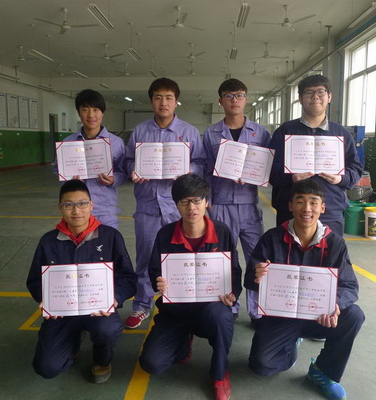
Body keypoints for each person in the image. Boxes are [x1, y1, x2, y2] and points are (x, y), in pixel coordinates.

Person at [245, 179, 364, 400]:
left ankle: (323, 372)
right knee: (262, 365)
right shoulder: (272, 238)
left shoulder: (335, 243)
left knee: (354, 316)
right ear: (290, 206)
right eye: (300, 201)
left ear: (322, 208)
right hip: (281, 317)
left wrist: (334, 305)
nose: (307, 209)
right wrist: (256, 275)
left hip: (319, 317)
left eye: (313, 202)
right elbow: (250, 281)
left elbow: (349, 285)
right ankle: (290, 345)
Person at [139, 173, 241, 400]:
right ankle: (183, 341)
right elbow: (154, 269)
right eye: (185, 202)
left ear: (206, 202)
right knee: (151, 363)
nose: (191, 208)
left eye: (197, 201)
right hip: (175, 312)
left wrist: (232, 293)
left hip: (210, 310)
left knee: (221, 317)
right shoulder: (165, 234)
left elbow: (234, 271)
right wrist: (159, 281)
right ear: (177, 205)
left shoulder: (222, 232)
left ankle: (219, 374)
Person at [26, 179, 137, 382]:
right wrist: (45, 299)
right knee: (47, 367)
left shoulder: (110, 236)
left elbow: (128, 277)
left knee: (108, 329)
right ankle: (71, 344)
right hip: (62, 314)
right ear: (60, 207)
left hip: (98, 310)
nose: (76, 211)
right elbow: (34, 280)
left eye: (82, 203)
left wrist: (115, 298)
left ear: (91, 205)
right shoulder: (48, 241)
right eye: (68, 205)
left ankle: (102, 360)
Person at [124, 78, 206, 329]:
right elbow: (127, 160)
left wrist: (188, 170)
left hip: (179, 208)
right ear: (151, 101)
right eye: (158, 97)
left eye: (169, 98)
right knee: (145, 258)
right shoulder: (139, 132)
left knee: (182, 258)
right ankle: (141, 305)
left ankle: (183, 303)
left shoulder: (189, 132)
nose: (163, 102)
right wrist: (133, 169)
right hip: (148, 207)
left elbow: (201, 163)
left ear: (176, 101)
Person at [202, 78, 270, 323]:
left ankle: (257, 310)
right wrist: (207, 199)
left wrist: (256, 176)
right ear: (220, 101)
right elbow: (205, 168)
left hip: (249, 204)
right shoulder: (210, 133)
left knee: (256, 258)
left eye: (239, 95)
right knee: (225, 258)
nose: (234, 100)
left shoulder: (261, 133)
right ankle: (229, 305)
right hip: (220, 204)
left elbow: (267, 165)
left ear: (246, 99)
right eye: (229, 96)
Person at [268, 75, 363, 236]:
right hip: (290, 210)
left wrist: (340, 179)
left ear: (329, 96)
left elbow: (355, 168)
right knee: (289, 251)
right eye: (309, 93)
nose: (315, 97)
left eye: (320, 92)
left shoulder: (341, 134)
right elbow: (270, 171)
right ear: (300, 99)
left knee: (329, 252)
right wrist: (291, 177)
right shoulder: (285, 131)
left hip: (330, 211)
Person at [53, 89, 127, 229]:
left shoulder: (116, 143)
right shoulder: (67, 143)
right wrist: (68, 179)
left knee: (107, 242)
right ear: (78, 112)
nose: (91, 115)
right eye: (85, 109)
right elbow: (57, 170)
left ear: (102, 112)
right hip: (76, 211)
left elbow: (123, 172)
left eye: (95, 109)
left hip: (105, 211)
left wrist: (113, 179)